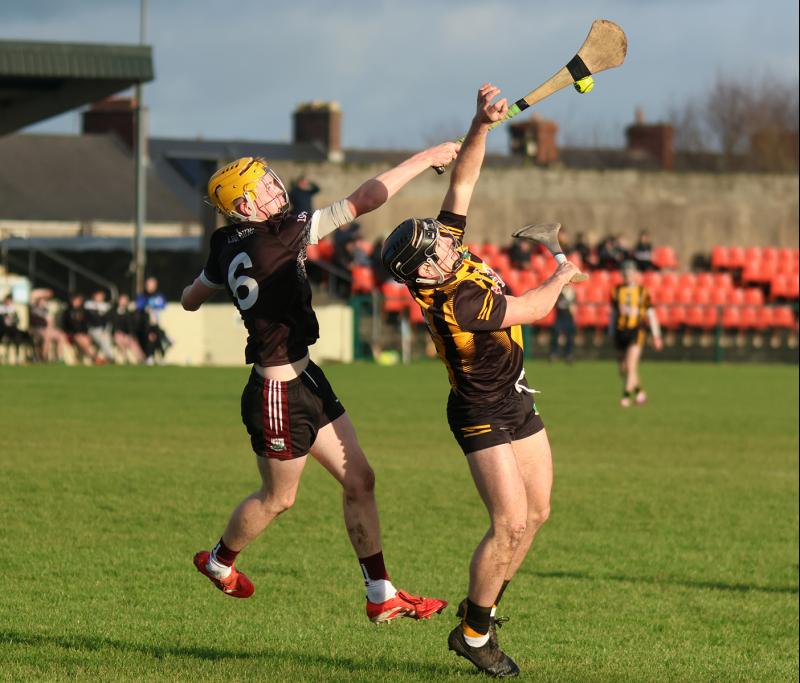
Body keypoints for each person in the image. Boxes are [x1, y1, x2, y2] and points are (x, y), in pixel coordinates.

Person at [181, 141, 459, 623]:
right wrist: (424, 159)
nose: (276, 189)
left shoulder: (225, 242)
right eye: (264, 188)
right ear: (244, 205)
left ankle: (380, 593)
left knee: (360, 479)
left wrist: (194, 294)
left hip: (306, 375)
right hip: (278, 392)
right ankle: (219, 561)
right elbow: (366, 199)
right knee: (278, 499)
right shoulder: (281, 235)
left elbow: (192, 296)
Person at [381, 84, 582, 677]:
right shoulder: (455, 301)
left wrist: (480, 125)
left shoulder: (446, 254)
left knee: (538, 513)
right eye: (434, 253)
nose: (446, 248)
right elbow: (533, 309)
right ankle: (474, 633)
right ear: (420, 276)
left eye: (440, 242)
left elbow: (462, 181)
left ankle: (482, 612)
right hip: (479, 410)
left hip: (515, 396)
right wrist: (563, 274)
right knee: (509, 521)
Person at [610, 260, 663, 407]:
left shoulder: (642, 292)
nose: (628, 276)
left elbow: (651, 314)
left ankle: (626, 396)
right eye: (625, 273)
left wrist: (656, 335)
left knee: (631, 365)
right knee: (623, 369)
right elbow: (613, 314)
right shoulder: (616, 291)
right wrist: (611, 331)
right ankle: (640, 394)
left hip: (637, 331)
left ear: (635, 274)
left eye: (630, 273)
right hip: (621, 332)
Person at [136, 277, 171, 364]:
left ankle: (157, 356)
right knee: (151, 338)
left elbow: (163, 306)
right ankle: (151, 356)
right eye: (149, 285)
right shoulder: (142, 296)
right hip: (145, 324)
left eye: (153, 285)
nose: (151, 287)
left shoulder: (159, 296)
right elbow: (139, 307)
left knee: (157, 339)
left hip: (156, 324)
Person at [28, 289, 68, 363]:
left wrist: (50, 329)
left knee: (61, 336)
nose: (43, 302)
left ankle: (59, 358)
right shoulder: (33, 308)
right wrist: (43, 292)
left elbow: (51, 322)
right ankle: (44, 358)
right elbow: (32, 295)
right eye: (42, 300)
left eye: (44, 300)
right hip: (36, 329)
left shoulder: (46, 310)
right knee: (47, 337)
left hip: (46, 329)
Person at [61, 293, 100, 364]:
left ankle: (94, 357)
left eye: (77, 300)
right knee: (80, 338)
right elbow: (66, 326)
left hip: (82, 334)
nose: (75, 302)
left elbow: (90, 323)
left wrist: (86, 334)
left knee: (85, 340)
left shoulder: (84, 311)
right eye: (74, 300)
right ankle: (95, 358)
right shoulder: (67, 312)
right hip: (72, 334)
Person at [110, 293, 145, 364]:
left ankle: (141, 360)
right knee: (119, 339)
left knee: (133, 344)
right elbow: (112, 325)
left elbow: (131, 327)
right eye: (122, 300)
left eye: (125, 300)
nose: (123, 302)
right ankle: (125, 359)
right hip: (116, 334)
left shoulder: (129, 313)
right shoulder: (112, 312)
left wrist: (129, 335)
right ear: (118, 301)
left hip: (127, 335)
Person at [84, 289, 116, 363]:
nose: (99, 297)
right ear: (94, 296)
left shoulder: (106, 306)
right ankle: (110, 357)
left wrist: (106, 330)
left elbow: (109, 321)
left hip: (103, 330)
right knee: (104, 339)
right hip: (93, 329)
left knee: (106, 338)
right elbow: (91, 319)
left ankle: (106, 357)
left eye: (101, 296)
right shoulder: (88, 305)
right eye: (97, 296)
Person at [549, 285, 577, 363]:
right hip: (560, 315)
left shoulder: (571, 291)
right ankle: (553, 353)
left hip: (568, 315)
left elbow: (574, 305)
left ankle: (569, 354)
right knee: (555, 333)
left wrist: (573, 308)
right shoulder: (559, 289)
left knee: (570, 336)